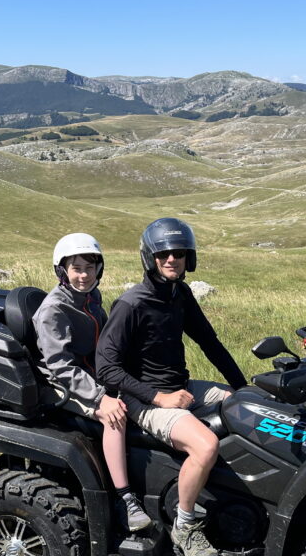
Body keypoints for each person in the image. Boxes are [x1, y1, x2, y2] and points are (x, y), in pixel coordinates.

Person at [96, 218, 248, 556]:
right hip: (144, 399)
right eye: (163, 253)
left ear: (188, 258)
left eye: (178, 253)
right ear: (150, 257)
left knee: (247, 405)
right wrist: (159, 397)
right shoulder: (130, 305)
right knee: (206, 445)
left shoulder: (180, 294)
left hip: (182, 386)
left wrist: (243, 387)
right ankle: (185, 526)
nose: (171, 259)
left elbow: (211, 343)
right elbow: (106, 368)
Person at [31, 233, 151, 532]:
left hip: (93, 373)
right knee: (115, 418)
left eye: (89, 267)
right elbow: (60, 366)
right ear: (62, 271)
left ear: (99, 269)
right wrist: (101, 399)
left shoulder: (91, 298)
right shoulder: (54, 310)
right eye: (76, 268)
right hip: (63, 384)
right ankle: (125, 500)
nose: (83, 275)